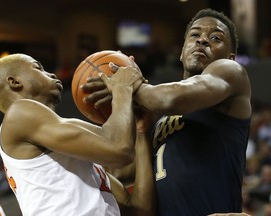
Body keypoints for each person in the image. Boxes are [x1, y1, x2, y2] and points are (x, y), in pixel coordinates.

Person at [82, 8, 252, 215]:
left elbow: (172, 98)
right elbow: (133, 189)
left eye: (215, 38)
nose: (203, 40)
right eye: (195, 35)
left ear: (231, 57)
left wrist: (124, 86)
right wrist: (142, 131)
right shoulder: (158, 113)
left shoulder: (231, 73)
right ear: (181, 52)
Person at [0, 53, 155, 216]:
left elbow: (141, 211)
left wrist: (141, 133)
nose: (51, 74)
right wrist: (123, 88)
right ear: (14, 82)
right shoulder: (19, 113)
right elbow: (119, 150)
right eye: (38, 68)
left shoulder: (75, 158)